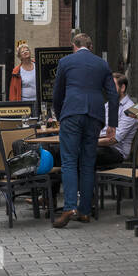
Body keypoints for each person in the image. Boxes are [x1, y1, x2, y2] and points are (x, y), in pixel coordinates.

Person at [51, 33, 119, 228]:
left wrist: (59, 115)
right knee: (88, 163)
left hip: (72, 113)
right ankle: (85, 211)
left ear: (74, 46)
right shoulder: (102, 64)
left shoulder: (65, 62)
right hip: (95, 115)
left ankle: (69, 207)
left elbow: (58, 93)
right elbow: (113, 96)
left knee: (70, 161)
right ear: (91, 47)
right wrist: (112, 124)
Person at [95, 73, 136, 168]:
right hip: (102, 145)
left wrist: (89, 142)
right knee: (64, 149)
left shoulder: (130, 109)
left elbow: (114, 140)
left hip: (116, 152)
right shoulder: (108, 105)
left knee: (82, 152)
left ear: (122, 88)